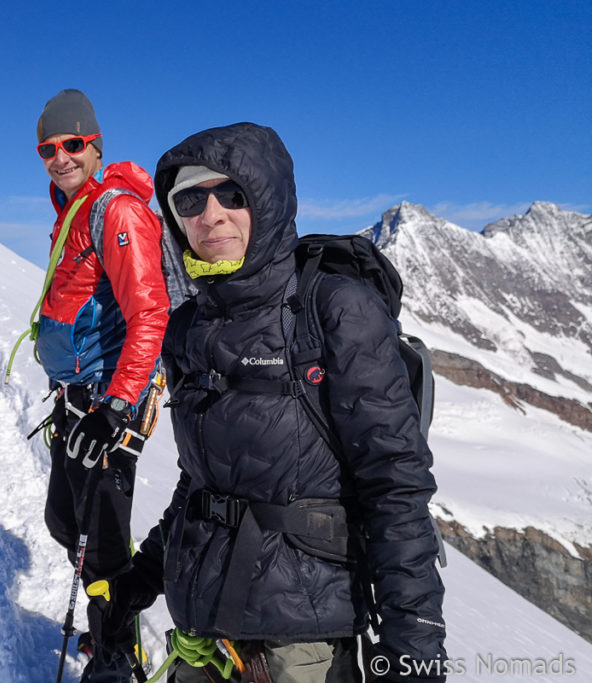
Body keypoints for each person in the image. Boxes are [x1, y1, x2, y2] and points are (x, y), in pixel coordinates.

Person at [96, 123, 448, 683]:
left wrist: (413, 645)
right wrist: (142, 578)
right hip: (202, 628)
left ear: (268, 198)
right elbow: (202, 484)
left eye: (231, 194)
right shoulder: (188, 327)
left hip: (299, 645)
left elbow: (395, 486)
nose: (211, 214)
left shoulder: (335, 311)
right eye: (189, 199)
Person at [32, 88, 170, 682]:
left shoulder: (116, 211)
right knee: (66, 523)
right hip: (76, 402)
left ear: (94, 144)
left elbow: (150, 314)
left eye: (71, 144)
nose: (59, 157)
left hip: (109, 407)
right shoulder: (73, 208)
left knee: (103, 541)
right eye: (47, 148)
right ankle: (108, 612)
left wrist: (114, 408)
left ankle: (117, 655)